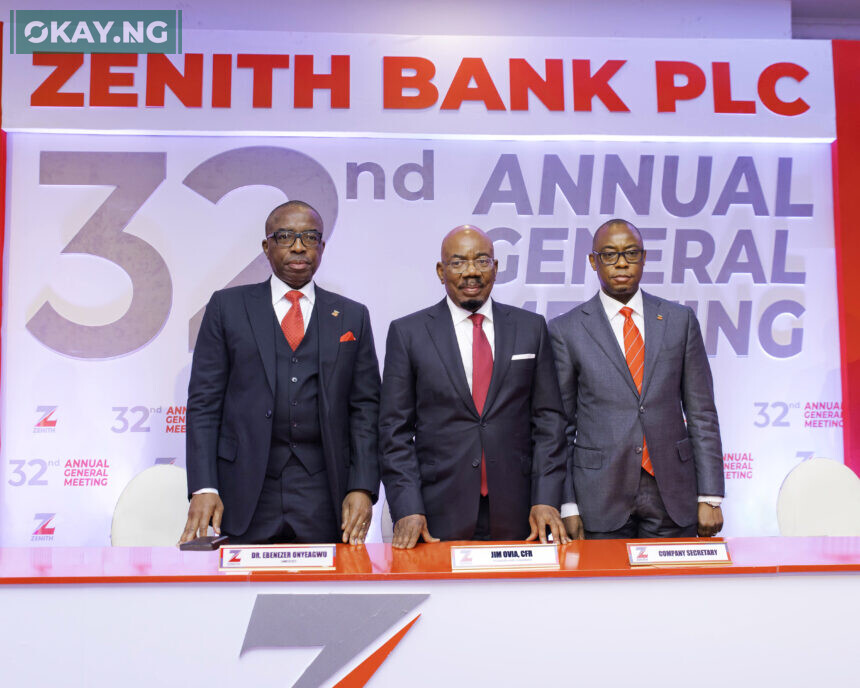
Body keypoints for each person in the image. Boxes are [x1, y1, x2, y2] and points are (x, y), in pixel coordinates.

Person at [179, 200, 380, 545]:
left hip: (324, 492)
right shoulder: (227, 308)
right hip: (243, 490)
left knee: (322, 597)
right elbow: (204, 404)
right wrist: (204, 485)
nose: (299, 246)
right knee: (239, 596)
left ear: (322, 246)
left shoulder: (351, 316)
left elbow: (365, 410)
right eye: (285, 236)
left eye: (310, 237)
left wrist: (362, 486)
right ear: (266, 246)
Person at [379, 225, 569, 549]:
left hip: (522, 514)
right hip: (435, 514)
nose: (471, 272)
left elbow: (549, 422)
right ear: (441, 271)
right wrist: (408, 507)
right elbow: (393, 431)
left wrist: (546, 498)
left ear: (496, 268)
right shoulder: (407, 333)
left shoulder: (531, 328)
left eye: (482, 261)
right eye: (458, 262)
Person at [549, 218, 724, 540]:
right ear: (593, 261)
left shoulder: (679, 320)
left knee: (672, 587)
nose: (621, 263)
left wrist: (710, 496)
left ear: (643, 258)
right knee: (604, 590)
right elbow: (560, 426)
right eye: (609, 254)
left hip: (672, 490)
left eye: (631, 253)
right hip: (598, 495)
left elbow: (701, 412)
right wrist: (568, 503)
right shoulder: (566, 330)